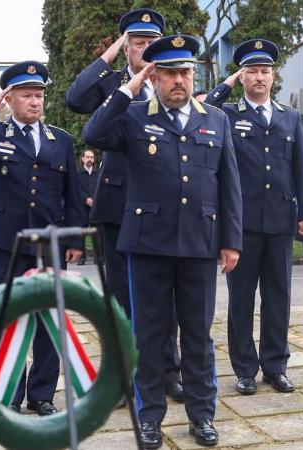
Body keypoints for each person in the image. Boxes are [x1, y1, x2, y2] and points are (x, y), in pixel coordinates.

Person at [81, 35, 242, 448]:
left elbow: (229, 186)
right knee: (149, 335)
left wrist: (231, 241)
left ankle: (202, 415)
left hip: (199, 245)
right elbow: (94, 133)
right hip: (147, 245)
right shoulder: (134, 116)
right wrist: (129, 88)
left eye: (185, 72)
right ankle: (149, 416)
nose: (179, 81)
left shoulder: (216, 119)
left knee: (198, 336)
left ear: (194, 75)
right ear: (155, 75)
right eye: (169, 72)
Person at [0, 62, 83, 416]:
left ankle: (42, 395)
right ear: (11, 99)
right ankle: (10, 392)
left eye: (39, 95)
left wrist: (75, 241)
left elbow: (73, 193)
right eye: (27, 95)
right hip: (7, 241)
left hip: (50, 242)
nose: (35, 102)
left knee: (48, 318)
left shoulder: (61, 139)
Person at [66, 8, 184, 403]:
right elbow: (76, 98)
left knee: (166, 294)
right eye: (138, 42)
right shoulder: (114, 84)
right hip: (118, 204)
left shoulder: (173, 84)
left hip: (166, 205)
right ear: (127, 48)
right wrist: (114, 53)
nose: (145, 48)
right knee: (119, 297)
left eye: (151, 42)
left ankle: (169, 372)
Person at [205, 39, 303, 399]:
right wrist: (227, 86)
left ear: (274, 76)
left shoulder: (290, 116)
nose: (259, 78)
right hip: (242, 224)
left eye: (265, 71)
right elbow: (201, 108)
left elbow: (301, 167)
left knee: (278, 296)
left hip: (281, 220)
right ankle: (244, 370)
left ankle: (276, 366)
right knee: (241, 300)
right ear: (242, 75)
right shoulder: (228, 115)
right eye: (251, 71)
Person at [76, 149, 99, 265]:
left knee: (97, 233)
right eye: (88, 157)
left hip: (95, 207)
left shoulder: (97, 173)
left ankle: (98, 258)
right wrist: (86, 199)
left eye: (91, 157)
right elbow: (76, 189)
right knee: (82, 233)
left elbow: (100, 188)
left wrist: (94, 199)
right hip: (82, 207)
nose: (90, 159)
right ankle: (81, 258)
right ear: (83, 159)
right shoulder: (77, 173)